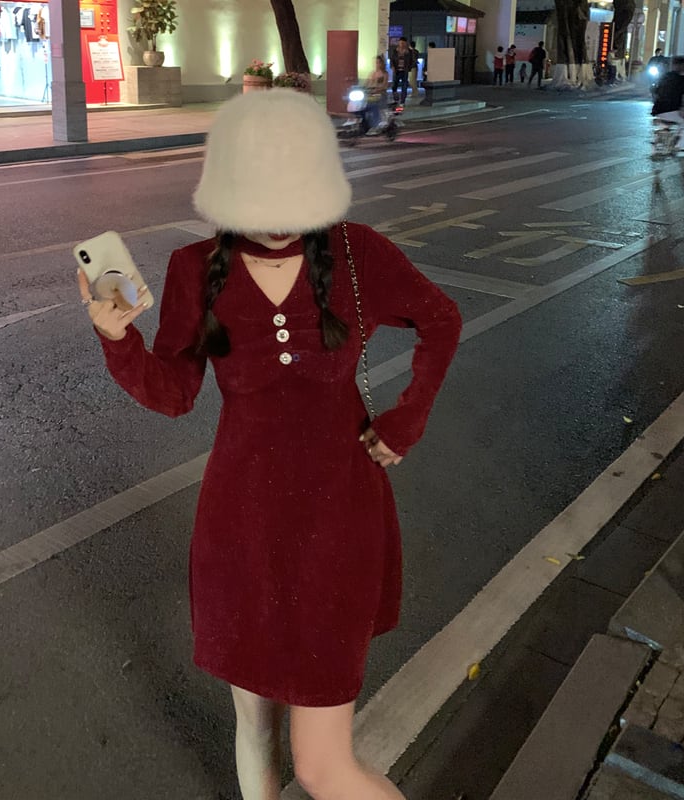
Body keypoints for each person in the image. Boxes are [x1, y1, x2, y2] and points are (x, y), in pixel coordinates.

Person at [77, 89, 462, 800]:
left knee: (322, 764)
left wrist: (406, 420)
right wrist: (117, 338)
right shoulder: (195, 268)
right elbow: (175, 392)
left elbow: (441, 319)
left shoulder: (356, 253)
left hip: (338, 523)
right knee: (254, 727)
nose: (281, 220)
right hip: (242, 525)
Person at [652, 55, 684, 153]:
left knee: (676, 120)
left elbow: (655, 90)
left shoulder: (665, 76)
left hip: (657, 110)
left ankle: (663, 141)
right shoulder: (682, 79)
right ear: (682, 66)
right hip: (671, 110)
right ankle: (681, 149)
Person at [364, 55, 389, 134]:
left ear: (381, 63)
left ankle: (376, 124)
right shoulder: (372, 73)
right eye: (375, 63)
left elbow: (384, 86)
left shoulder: (384, 74)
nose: (376, 64)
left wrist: (377, 90)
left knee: (375, 106)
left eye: (378, 63)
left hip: (380, 94)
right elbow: (366, 84)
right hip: (371, 95)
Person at [390, 37, 413, 105]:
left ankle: (402, 101)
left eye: (403, 43)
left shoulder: (409, 52)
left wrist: (409, 68)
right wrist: (392, 66)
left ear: (406, 43)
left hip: (404, 71)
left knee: (404, 86)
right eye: (400, 43)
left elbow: (412, 60)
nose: (402, 44)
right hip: (396, 71)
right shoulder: (395, 51)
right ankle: (396, 99)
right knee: (394, 86)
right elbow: (392, 59)